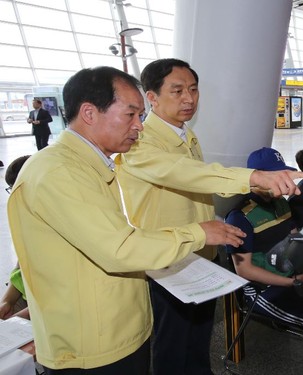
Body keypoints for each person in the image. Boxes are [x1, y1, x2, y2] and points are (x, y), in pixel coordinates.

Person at [7, 66, 247, 374]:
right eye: (130, 115)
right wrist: (198, 233)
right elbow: (119, 248)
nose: (140, 126)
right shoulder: (59, 172)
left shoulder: (87, 164)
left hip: (114, 328)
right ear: (90, 113)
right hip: (94, 345)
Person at [114, 58, 303, 375]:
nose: (189, 98)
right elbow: (187, 174)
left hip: (201, 255)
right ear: (151, 97)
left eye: (193, 89)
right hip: (167, 262)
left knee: (199, 340)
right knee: (173, 348)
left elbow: (195, 188)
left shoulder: (185, 135)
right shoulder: (139, 141)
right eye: (177, 91)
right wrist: (254, 177)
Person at [224, 147, 303, 366]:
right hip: (260, 289)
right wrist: (292, 283)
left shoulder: (280, 202)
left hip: (290, 275)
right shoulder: (240, 217)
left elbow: (293, 239)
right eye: (274, 176)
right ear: (256, 177)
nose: (281, 181)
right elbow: (244, 270)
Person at [0, 155, 31, 320]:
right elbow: (22, 265)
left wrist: (20, 318)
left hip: (51, 304)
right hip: (28, 295)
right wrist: (7, 300)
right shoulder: (24, 216)